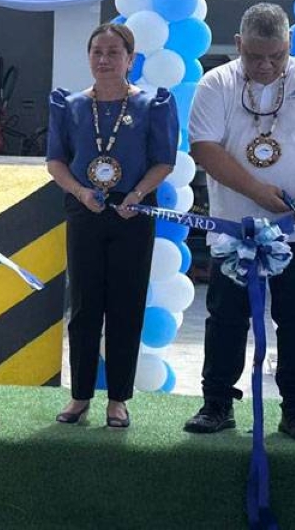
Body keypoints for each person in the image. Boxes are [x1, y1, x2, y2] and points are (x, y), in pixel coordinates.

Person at [184, 2, 295, 443]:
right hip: (234, 228)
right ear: (238, 44)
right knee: (225, 318)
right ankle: (217, 404)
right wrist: (259, 193)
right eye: (255, 56)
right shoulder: (215, 83)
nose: (265, 65)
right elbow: (205, 150)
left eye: (276, 56)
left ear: (289, 44)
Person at [45, 22, 178, 429]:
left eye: (113, 53)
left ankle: (118, 398)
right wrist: (80, 192)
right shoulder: (70, 106)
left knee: (126, 303)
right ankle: (80, 394)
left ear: (130, 59)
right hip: (86, 208)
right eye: (97, 52)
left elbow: (164, 160)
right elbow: (56, 162)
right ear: (88, 57)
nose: (104, 60)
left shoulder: (151, 104)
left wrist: (137, 194)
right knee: (84, 305)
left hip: (133, 211)